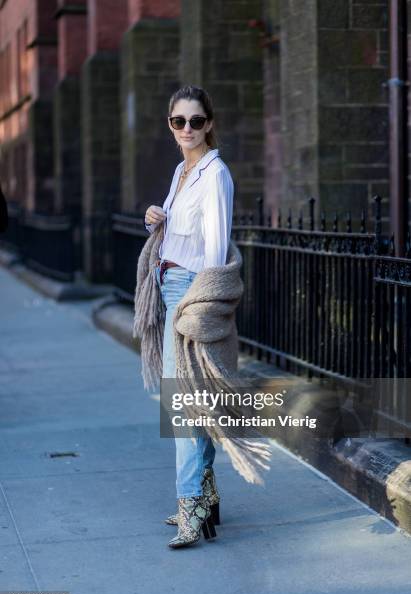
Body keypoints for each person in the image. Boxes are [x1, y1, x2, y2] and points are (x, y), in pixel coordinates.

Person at [144, 84, 234, 548]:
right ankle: (205, 494)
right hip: (169, 288)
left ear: (209, 124)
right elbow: (177, 232)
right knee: (189, 402)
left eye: (196, 121)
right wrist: (154, 217)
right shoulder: (182, 171)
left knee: (182, 406)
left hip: (191, 297)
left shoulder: (214, 174)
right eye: (178, 121)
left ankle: (190, 505)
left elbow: (215, 251)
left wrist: (201, 307)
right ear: (170, 124)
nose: (187, 129)